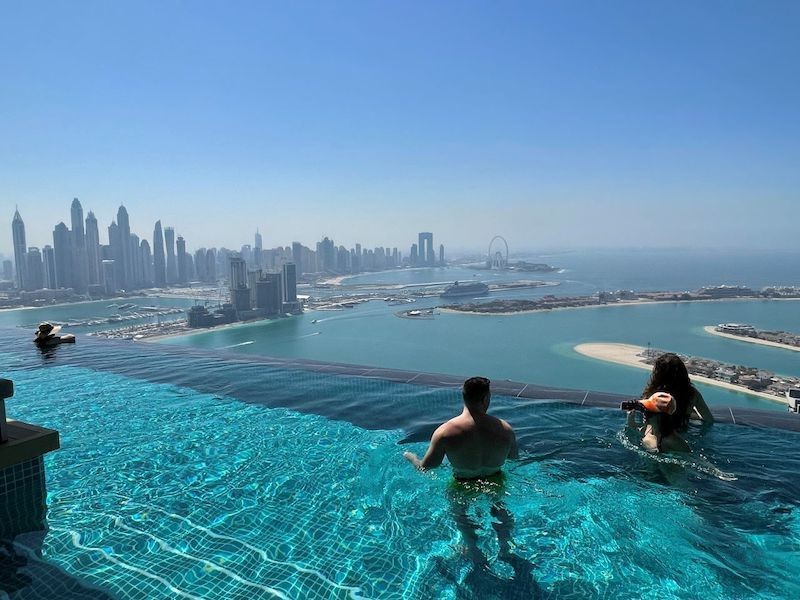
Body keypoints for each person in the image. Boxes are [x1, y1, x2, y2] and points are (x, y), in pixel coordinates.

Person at [403, 376, 518, 478]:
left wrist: (412, 458)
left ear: (464, 397)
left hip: (461, 485)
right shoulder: (506, 430)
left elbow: (424, 468)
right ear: (485, 399)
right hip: (497, 483)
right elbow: (514, 460)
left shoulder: (444, 432)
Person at [630, 352, 714, 453]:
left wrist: (631, 423)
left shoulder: (654, 396)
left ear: (657, 374)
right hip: (680, 438)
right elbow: (709, 419)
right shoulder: (692, 394)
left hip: (653, 437)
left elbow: (645, 421)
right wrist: (690, 414)